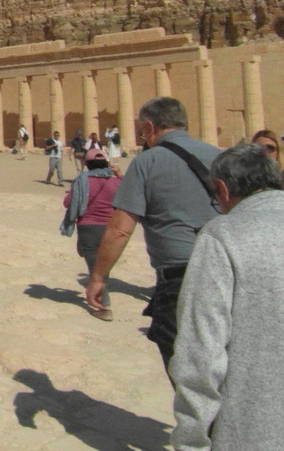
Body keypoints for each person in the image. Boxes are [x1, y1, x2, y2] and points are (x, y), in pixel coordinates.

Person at [170, 143, 284, 451]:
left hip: (251, 431)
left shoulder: (222, 237)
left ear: (222, 188)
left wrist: (191, 441)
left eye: (215, 198)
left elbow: (200, 355)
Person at [84, 97, 220, 372]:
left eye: (141, 131)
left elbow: (121, 228)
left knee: (186, 373)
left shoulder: (147, 161)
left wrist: (99, 276)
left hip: (179, 278)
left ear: (149, 127)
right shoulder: (219, 156)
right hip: (226, 272)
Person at [60, 148, 122, 320]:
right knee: (103, 267)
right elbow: (128, 193)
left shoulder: (82, 180)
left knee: (95, 269)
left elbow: (68, 203)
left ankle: (104, 307)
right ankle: (102, 299)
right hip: (111, 228)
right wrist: (119, 174)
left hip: (88, 228)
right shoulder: (115, 181)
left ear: (87, 164)